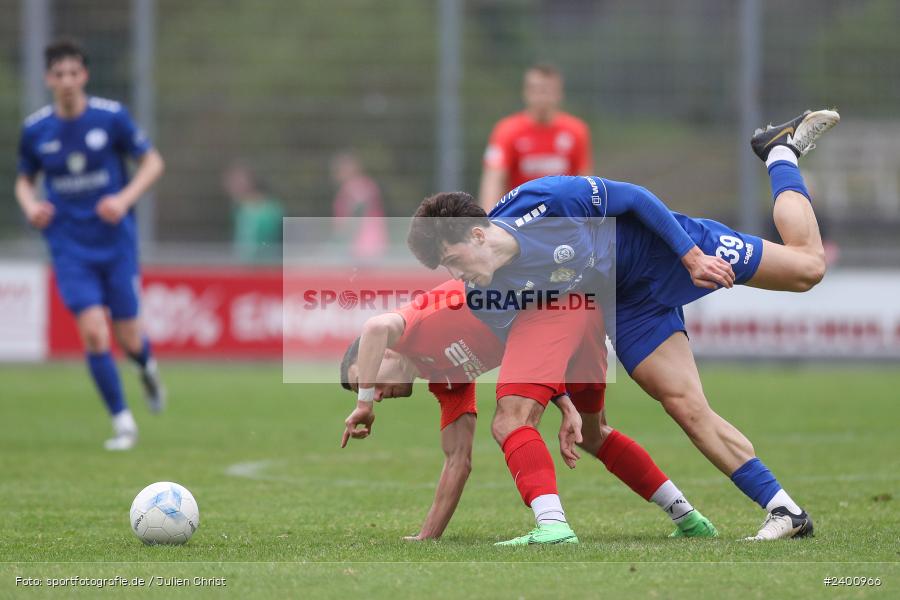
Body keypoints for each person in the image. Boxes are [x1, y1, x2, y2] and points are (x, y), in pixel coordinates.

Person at [407, 109, 840, 542]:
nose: (453, 275)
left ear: (477, 235)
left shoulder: (546, 200)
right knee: (684, 405)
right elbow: (529, 346)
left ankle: (779, 152)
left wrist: (691, 256)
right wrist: (564, 403)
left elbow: (635, 198)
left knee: (807, 269)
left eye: (452, 259)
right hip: (626, 302)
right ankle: (785, 510)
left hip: (666, 250)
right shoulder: (486, 295)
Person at [340, 280, 717, 542]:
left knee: (510, 421)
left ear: (384, 354)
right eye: (363, 387)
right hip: (569, 320)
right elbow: (458, 461)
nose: (374, 391)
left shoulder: (412, 324)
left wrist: (364, 403)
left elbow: (374, 326)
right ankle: (688, 518)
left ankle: (552, 528)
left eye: (367, 379)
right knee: (594, 435)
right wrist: (426, 537)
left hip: (556, 307)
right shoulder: (444, 379)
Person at [15, 39, 166, 450]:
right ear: (49, 79)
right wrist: (30, 206)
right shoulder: (35, 130)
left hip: (115, 243)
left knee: (129, 337)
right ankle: (123, 423)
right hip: (68, 246)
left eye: (73, 73)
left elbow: (152, 162)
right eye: (58, 74)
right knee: (95, 334)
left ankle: (146, 366)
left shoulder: (111, 118)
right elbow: (24, 180)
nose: (66, 81)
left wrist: (123, 199)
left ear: (84, 75)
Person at [478, 63, 593, 211]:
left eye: (547, 90)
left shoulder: (577, 130)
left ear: (559, 94)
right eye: (536, 90)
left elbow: (586, 183)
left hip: (563, 219)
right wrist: (490, 222)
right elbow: (493, 179)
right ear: (525, 92)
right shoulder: (506, 130)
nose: (541, 97)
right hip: (519, 218)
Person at [331, 151, 388, 262]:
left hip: (362, 247)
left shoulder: (356, 188)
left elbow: (355, 215)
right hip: (366, 246)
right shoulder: (362, 186)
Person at [222, 161, 283, 263]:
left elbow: (249, 252)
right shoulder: (243, 210)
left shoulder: (261, 212)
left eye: (237, 181)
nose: (230, 187)